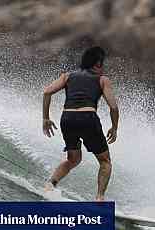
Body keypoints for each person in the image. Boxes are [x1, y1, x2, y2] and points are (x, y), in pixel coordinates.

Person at [42, 46, 119, 201]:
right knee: (105, 162)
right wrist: (114, 127)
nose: (103, 67)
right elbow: (113, 107)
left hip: (67, 119)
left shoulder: (67, 76)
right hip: (87, 118)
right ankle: (99, 197)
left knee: (73, 159)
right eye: (102, 64)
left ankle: (50, 185)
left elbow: (47, 92)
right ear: (97, 63)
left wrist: (46, 118)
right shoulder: (102, 80)